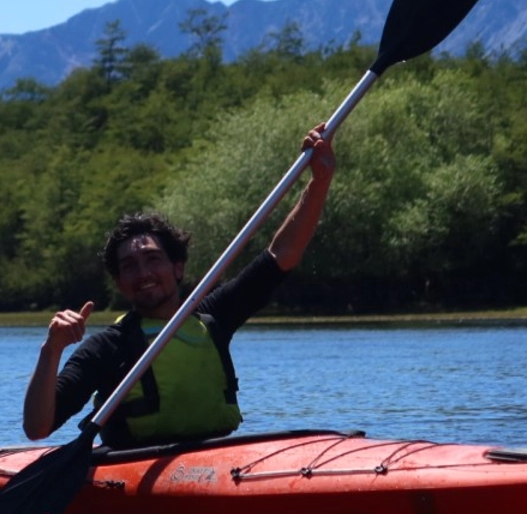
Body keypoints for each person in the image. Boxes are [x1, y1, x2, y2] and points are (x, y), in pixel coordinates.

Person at [23, 123, 335, 449]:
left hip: (216, 461)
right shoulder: (108, 348)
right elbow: (37, 427)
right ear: (119, 283)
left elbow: (282, 254)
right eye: (129, 266)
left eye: (152, 259)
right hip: (133, 470)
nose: (143, 272)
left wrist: (320, 180)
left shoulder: (213, 318)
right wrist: (52, 349)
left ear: (178, 267)